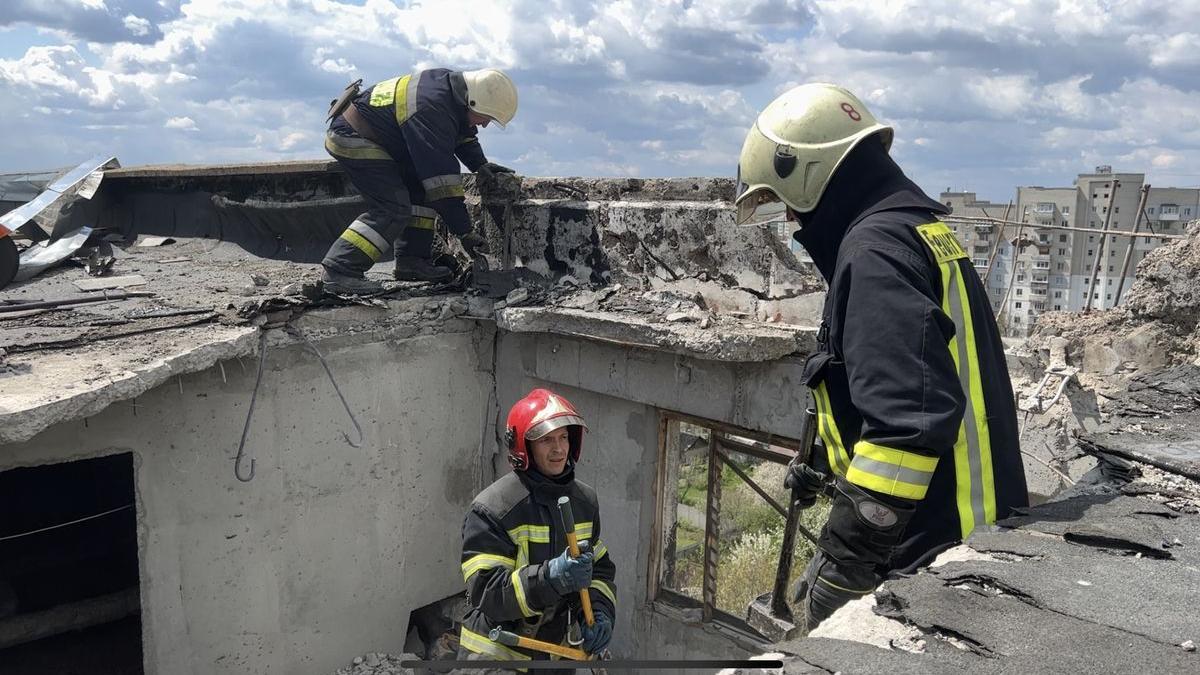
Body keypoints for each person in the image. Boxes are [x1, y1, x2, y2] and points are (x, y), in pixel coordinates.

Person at [733, 83, 1028, 631]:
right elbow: (915, 374)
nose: (795, 225)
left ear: (811, 177)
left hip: (938, 557)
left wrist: (846, 558)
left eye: (790, 206)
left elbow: (907, 425)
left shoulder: (873, 253)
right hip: (983, 534)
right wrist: (827, 469)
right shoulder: (924, 231)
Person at [458, 389, 617, 670]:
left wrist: (599, 612)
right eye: (546, 440)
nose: (558, 449)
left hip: (552, 654)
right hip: (496, 657)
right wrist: (551, 578)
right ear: (523, 447)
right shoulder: (492, 509)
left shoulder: (584, 502)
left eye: (564, 437)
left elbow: (599, 570)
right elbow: (486, 593)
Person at [320, 68, 517, 293]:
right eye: (486, 117)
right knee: (392, 208)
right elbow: (442, 183)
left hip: (379, 138)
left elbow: (460, 133)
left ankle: (412, 262)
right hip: (354, 137)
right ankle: (340, 270)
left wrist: (480, 165)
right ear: (470, 103)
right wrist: (465, 232)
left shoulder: (450, 92)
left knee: (420, 194)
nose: (484, 125)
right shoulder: (430, 108)